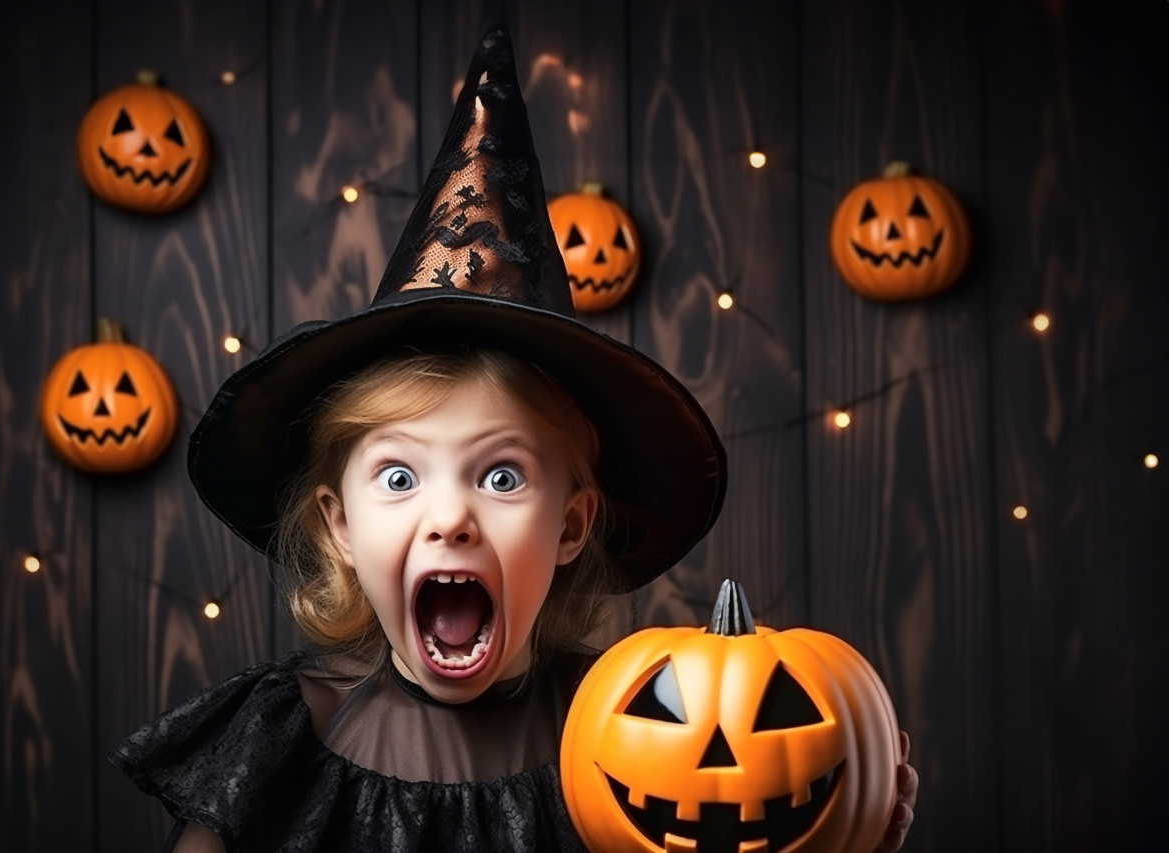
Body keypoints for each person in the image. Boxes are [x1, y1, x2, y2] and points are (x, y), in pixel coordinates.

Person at [111, 24, 918, 853]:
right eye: (398, 478)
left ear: (570, 525)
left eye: (501, 478)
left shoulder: (639, 731)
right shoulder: (277, 738)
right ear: (340, 527)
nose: (450, 518)